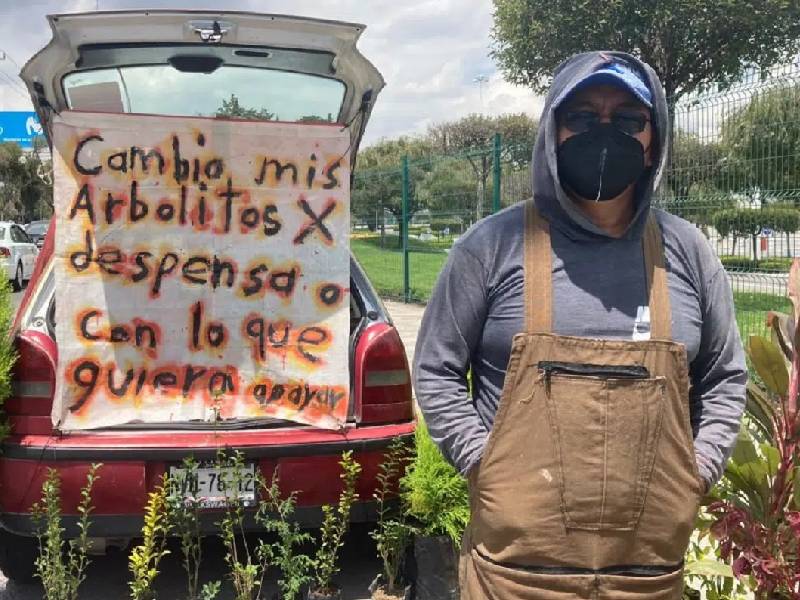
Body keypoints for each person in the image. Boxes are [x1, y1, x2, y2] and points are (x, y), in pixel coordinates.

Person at [412, 51, 747, 599]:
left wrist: (698, 472)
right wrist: (485, 466)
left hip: (647, 577)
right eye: (584, 117)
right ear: (553, 130)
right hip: (515, 576)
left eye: (629, 120)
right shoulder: (491, 248)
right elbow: (436, 369)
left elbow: (725, 377)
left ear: (653, 140)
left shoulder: (687, 253)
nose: (605, 132)